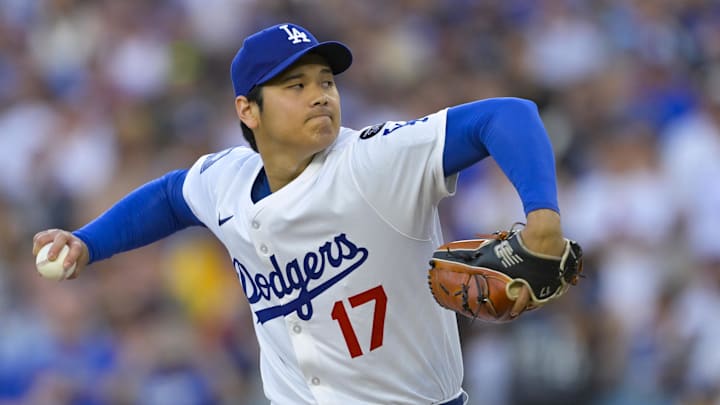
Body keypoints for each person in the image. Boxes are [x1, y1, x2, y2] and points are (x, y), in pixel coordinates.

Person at [33, 23, 568, 405]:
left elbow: (507, 115)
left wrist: (542, 218)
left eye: (326, 82)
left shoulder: (371, 161)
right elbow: (173, 197)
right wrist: (88, 241)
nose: (320, 96)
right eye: (296, 86)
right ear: (247, 110)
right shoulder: (228, 180)